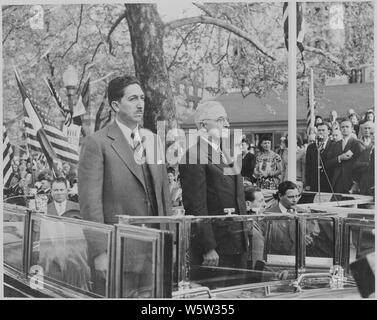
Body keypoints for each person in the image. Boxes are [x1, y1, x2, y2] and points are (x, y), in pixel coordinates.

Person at [78, 75, 171, 297]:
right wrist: (100, 252)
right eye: (133, 99)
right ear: (115, 105)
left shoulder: (153, 141)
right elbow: (90, 205)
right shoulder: (96, 143)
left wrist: (171, 243)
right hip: (118, 254)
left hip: (156, 252)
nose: (140, 104)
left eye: (142, 98)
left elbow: (163, 196)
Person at [179, 100, 249, 287]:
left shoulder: (225, 152)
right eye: (220, 119)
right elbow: (196, 205)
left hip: (237, 242)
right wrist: (208, 247)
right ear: (203, 125)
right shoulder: (193, 155)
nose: (227, 124)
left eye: (226, 119)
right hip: (215, 249)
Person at [261, 181, 317, 256]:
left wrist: (309, 243)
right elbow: (263, 244)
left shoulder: (304, 213)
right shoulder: (268, 215)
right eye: (290, 197)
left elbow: (312, 241)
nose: (295, 200)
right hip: (276, 262)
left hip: (298, 261)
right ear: (280, 196)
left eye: (297, 196)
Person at [325, 119, 364, 194]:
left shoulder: (357, 143)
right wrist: (339, 158)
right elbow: (327, 163)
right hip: (337, 182)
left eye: (347, 126)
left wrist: (356, 182)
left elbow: (360, 165)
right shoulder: (335, 144)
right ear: (340, 129)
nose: (344, 128)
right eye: (342, 127)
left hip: (351, 182)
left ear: (352, 128)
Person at [305, 122, 334, 192]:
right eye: (319, 130)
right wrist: (308, 183)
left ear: (329, 132)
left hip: (329, 182)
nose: (321, 132)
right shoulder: (311, 147)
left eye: (323, 130)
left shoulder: (334, 145)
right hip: (314, 183)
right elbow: (308, 166)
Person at [353, 121, 374, 195]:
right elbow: (355, 164)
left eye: (369, 128)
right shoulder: (357, 143)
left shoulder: (373, 144)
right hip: (360, 178)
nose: (367, 130)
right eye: (365, 128)